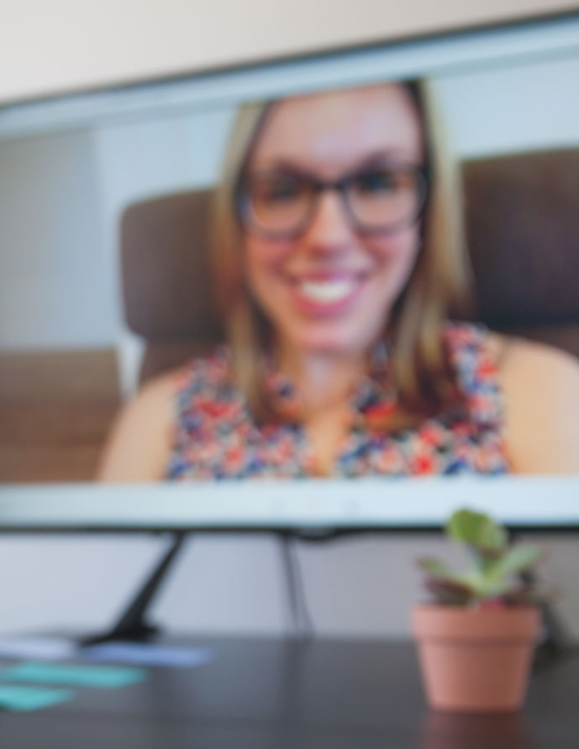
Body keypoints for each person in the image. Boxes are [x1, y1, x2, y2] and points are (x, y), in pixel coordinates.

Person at [97, 81, 579, 481]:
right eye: (282, 190)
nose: (328, 237)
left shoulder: (539, 394)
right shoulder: (158, 421)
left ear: (428, 214)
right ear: (236, 219)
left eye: (377, 183)